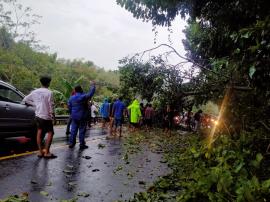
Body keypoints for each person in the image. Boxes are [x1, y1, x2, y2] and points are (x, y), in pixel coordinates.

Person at [23, 76, 57, 158]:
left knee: (39, 132)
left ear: (41, 83)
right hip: (46, 116)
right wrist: (54, 117)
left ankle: (40, 152)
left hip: (38, 116)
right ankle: (47, 153)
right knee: (50, 133)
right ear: (48, 83)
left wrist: (35, 105)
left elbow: (25, 99)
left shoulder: (35, 92)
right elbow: (51, 106)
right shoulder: (49, 92)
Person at [68, 82, 95, 149]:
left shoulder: (71, 98)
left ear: (75, 90)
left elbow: (69, 106)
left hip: (74, 116)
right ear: (80, 90)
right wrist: (92, 85)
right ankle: (82, 144)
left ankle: (71, 143)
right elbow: (90, 94)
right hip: (82, 116)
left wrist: (72, 113)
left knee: (73, 130)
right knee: (82, 130)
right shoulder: (83, 96)